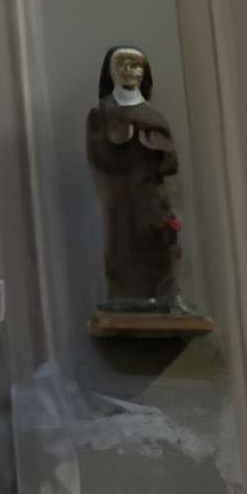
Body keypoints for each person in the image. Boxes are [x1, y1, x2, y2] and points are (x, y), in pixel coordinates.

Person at [88, 44, 187, 308]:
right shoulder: (102, 114)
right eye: (123, 65)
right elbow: (100, 157)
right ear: (112, 71)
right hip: (120, 195)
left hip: (151, 195)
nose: (130, 71)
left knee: (159, 243)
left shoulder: (155, 117)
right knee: (121, 245)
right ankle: (125, 296)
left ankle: (163, 295)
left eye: (136, 66)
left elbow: (170, 163)